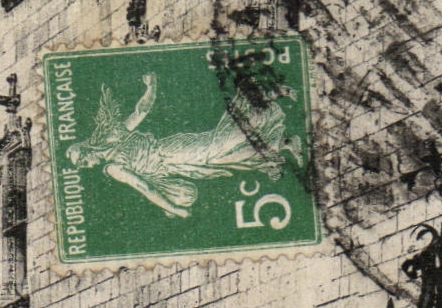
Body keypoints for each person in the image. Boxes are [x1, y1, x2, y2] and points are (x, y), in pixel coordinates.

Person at [67, 73, 304, 219]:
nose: (87, 166)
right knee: (226, 158)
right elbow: (149, 183)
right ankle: (283, 144)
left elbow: (143, 187)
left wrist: (152, 87)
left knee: (219, 145)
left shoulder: (113, 162)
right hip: (175, 166)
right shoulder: (112, 151)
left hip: (169, 151)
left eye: (83, 161)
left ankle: (261, 96)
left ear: (88, 150)